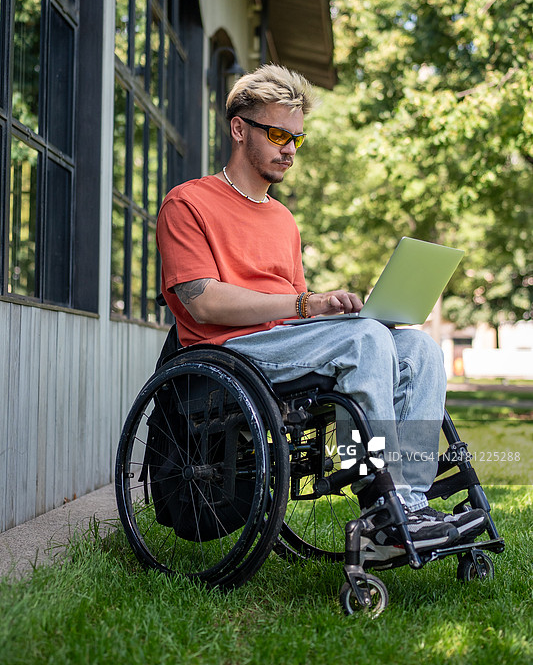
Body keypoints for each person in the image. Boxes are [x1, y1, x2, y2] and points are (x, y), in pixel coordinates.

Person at [156, 63, 486, 559]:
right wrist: (307, 305)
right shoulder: (188, 203)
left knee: (417, 345)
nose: (289, 149)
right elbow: (202, 300)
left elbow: (296, 313)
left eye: (297, 139)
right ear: (239, 128)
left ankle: (410, 505)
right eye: (277, 134)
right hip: (226, 350)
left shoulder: (284, 220)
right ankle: (382, 499)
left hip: (285, 341)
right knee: (365, 339)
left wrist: (336, 311)